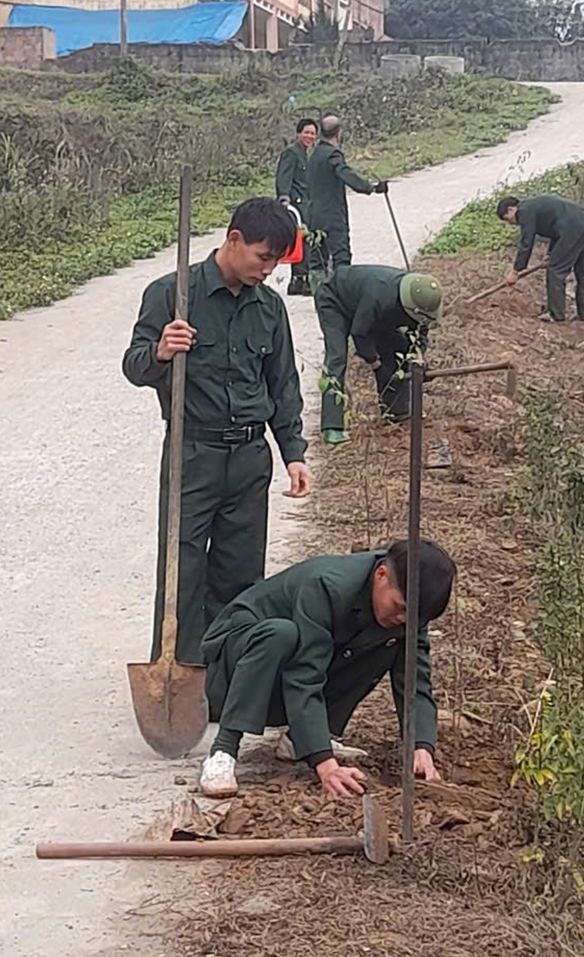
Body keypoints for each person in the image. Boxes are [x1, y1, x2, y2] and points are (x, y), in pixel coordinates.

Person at [122, 197, 312, 666]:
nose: (268, 270)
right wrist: (162, 351)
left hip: (249, 458)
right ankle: (178, 674)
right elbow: (134, 365)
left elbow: (283, 384)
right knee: (182, 569)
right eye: (263, 257)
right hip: (193, 453)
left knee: (240, 575)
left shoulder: (268, 308)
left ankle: (225, 680)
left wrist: (293, 452)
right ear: (234, 240)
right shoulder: (171, 294)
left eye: (276, 262)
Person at [197, 539, 457, 799]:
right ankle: (223, 751)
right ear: (381, 575)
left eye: (416, 618)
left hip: (283, 678)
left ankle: (300, 740)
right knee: (281, 634)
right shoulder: (326, 585)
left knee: (386, 641)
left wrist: (421, 746)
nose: (404, 619)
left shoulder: (410, 612)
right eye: (400, 608)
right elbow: (304, 674)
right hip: (234, 672)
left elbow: (415, 680)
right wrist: (326, 765)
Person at [314, 265, 443, 445]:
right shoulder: (379, 297)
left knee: (397, 349)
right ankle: (332, 426)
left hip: (366, 307)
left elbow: (419, 336)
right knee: (337, 357)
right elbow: (360, 332)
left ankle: (397, 412)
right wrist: (375, 362)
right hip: (335, 300)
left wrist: (418, 359)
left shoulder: (421, 300)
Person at [497, 194, 584, 323]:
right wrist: (550, 253)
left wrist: (516, 271)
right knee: (582, 271)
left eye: (507, 219)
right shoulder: (535, 205)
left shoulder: (524, 211)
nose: (511, 223)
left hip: (573, 229)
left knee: (555, 270)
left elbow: (526, 242)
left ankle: (556, 315)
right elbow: (556, 227)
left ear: (511, 209)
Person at [307, 114, 387, 273]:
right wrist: (371, 187)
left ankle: (320, 294)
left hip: (314, 216)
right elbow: (346, 174)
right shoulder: (333, 154)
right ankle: (341, 294)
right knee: (341, 258)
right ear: (339, 133)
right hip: (333, 216)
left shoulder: (313, 155)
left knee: (317, 260)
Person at [275, 118, 317, 297]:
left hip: (308, 202)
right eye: (306, 133)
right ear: (299, 134)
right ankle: (301, 279)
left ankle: (298, 280)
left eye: (313, 133)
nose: (309, 136)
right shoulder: (291, 153)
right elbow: (283, 176)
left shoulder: (308, 154)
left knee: (305, 240)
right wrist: (284, 198)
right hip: (297, 203)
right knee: (302, 239)